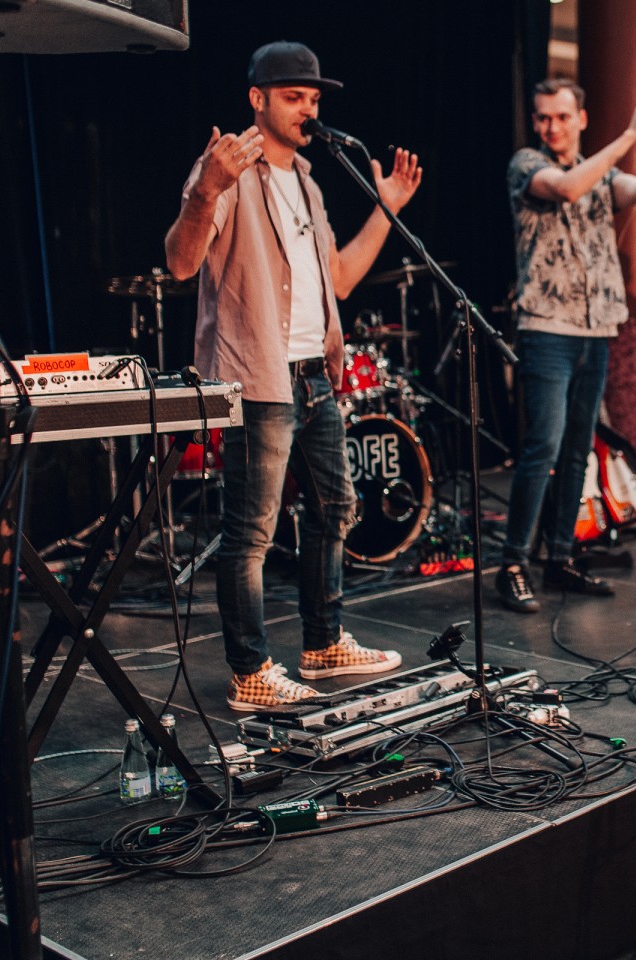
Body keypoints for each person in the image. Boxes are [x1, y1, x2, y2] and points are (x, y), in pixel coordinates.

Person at [164, 41, 423, 710]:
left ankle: (323, 643)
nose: (308, 109)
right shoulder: (225, 170)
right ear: (258, 99)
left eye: (313, 98)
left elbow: (339, 278)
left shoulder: (308, 182)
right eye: (293, 97)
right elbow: (181, 263)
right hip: (259, 376)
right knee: (252, 532)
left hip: (314, 374)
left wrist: (387, 208)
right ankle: (250, 670)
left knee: (337, 508)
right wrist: (207, 190)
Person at [495, 77, 636, 614]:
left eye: (562, 117)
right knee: (542, 447)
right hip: (547, 329)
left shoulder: (601, 173)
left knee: (577, 448)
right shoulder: (526, 165)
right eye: (544, 117)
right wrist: (630, 135)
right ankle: (513, 563)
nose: (552, 127)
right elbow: (566, 188)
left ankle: (561, 556)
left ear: (580, 119)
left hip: (596, 329)